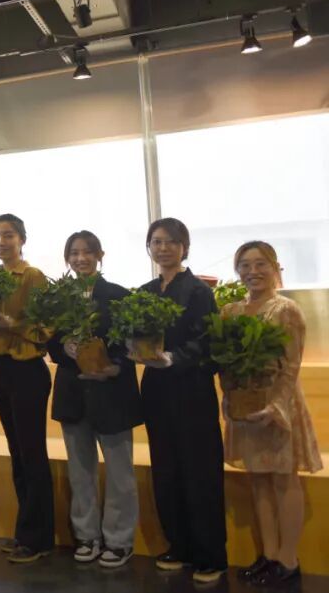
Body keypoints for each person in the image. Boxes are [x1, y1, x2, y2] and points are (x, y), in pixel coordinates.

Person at [222, 241, 321, 586]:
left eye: (260, 264)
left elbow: (291, 366)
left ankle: (289, 561)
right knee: (258, 479)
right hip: (245, 406)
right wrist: (228, 398)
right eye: (245, 265)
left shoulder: (286, 310)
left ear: (275, 267)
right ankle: (269, 554)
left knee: (283, 479)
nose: (252, 271)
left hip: (279, 406)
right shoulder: (231, 312)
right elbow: (226, 364)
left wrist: (276, 406)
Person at [44, 231, 141, 568]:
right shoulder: (57, 299)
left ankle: (119, 539)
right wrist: (64, 348)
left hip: (113, 394)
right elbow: (51, 344)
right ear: (67, 259)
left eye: (87, 252)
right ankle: (87, 535)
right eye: (74, 252)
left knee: (119, 473)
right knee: (79, 470)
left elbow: (132, 344)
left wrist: (115, 366)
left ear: (100, 255)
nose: (80, 258)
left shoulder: (118, 296)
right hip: (73, 394)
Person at [138, 217, 226, 584]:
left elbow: (209, 342)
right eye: (157, 242)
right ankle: (179, 545)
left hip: (192, 390)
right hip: (157, 391)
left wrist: (175, 357)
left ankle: (210, 555)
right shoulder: (145, 291)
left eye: (171, 242)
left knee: (199, 471)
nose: (163, 248)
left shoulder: (198, 291)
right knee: (166, 469)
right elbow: (135, 333)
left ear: (184, 247)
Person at [0, 213, 53, 564]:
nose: (1, 242)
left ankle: (39, 538)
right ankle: (26, 531)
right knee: (17, 453)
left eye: (8, 235)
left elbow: (46, 328)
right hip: (2, 367)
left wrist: (10, 324)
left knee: (32, 454)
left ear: (22, 239)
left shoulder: (32, 276)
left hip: (28, 369)